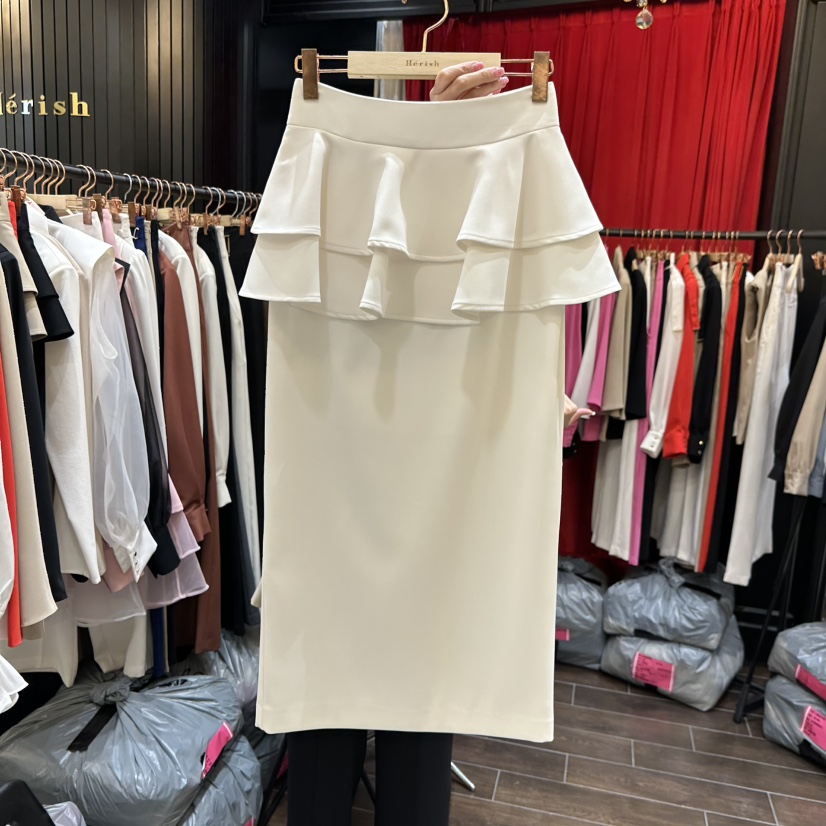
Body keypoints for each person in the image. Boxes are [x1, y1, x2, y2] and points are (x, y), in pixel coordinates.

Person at [285, 62, 589, 826]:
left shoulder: (510, 159)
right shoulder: (328, 150)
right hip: (338, 424)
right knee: (358, 657)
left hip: (410, 425)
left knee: (394, 658)